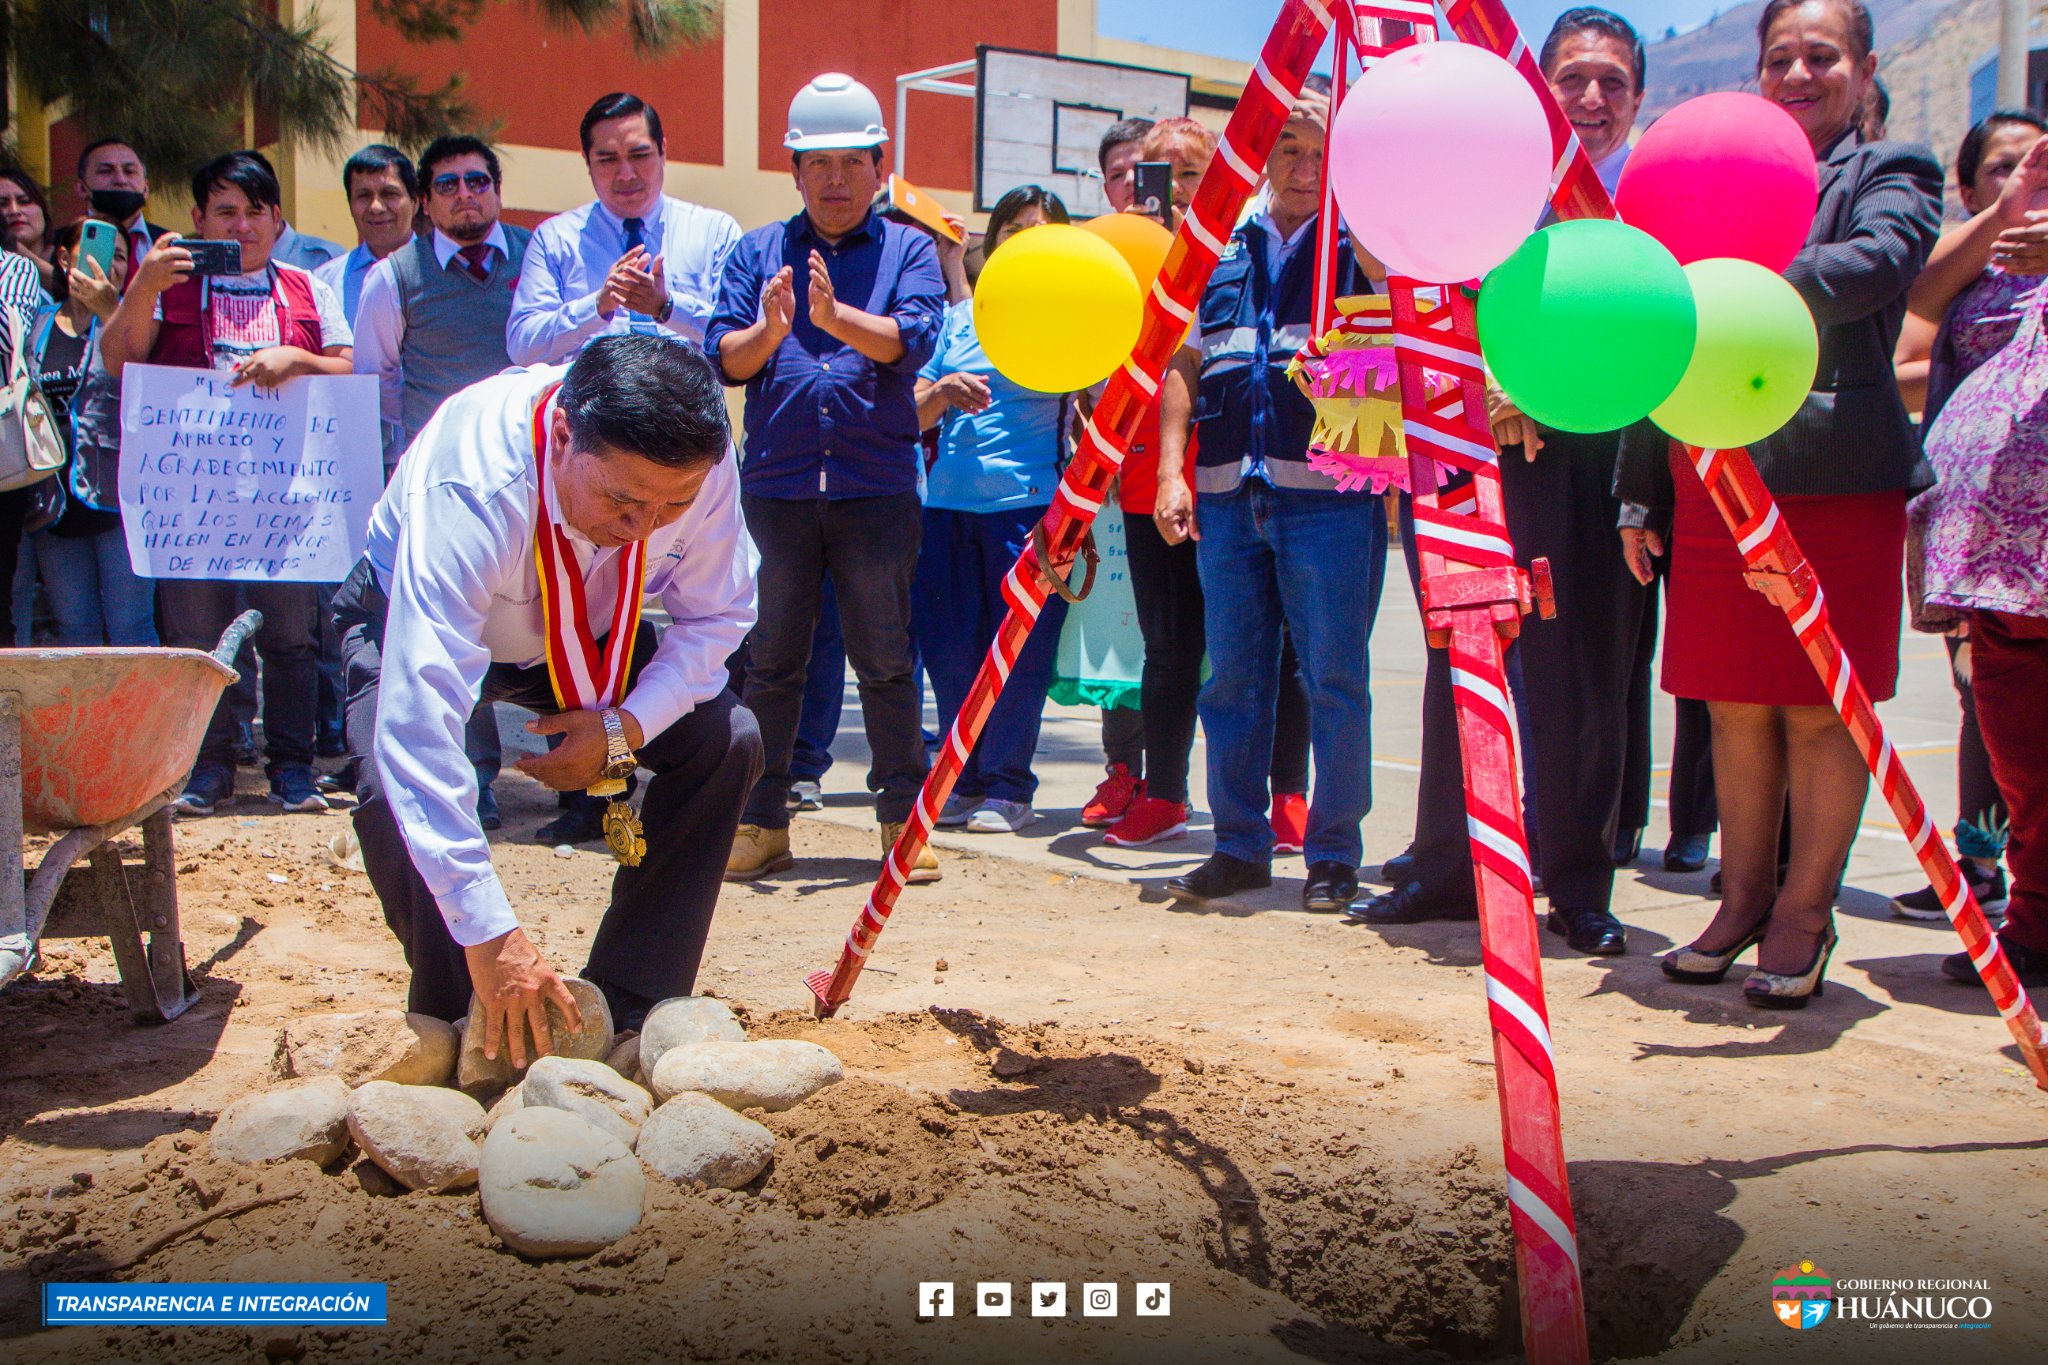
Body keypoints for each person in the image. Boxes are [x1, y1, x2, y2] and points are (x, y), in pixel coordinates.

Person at [1618, 0, 1941, 1007]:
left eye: (1820, 55)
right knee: (1731, 701)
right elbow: (1658, 336)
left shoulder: (1894, 170)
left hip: (1835, 477)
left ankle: (1805, 909)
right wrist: (1638, 488)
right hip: (1710, 473)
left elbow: (1875, 266)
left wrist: (1730, 279)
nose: (1797, 74)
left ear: (1862, 67)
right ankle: (1741, 896)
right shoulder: (1706, 170)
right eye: (1778, 58)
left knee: (1818, 709)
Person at [335, 334, 760, 1034]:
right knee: (393, 785)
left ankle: (625, 1006)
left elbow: (719, 616)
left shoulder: (698, 465)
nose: (645, 527)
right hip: (413, 618)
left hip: (584, 637)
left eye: (672, 507)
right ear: (562, 434)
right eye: (623, 500)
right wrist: (491, 929)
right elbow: (418, 722)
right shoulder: (472, 480)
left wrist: (622, 729)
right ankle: (465, 1017)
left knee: (728, 738)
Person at [1371, 7, 1651, 955]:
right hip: (1476, 451)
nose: (1591, 98)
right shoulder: (1494, 181)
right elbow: (1427, 286)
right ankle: (1448, 867)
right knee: (1462, 652)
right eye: (1572, 78)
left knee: (1584, 677)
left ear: (1638, 97)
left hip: (1596, 464)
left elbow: (1654, 331)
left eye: (1611, 80)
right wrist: (1480, 384)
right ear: (1541, 92)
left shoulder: (1648, 196)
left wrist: (1537, 382)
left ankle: (1577, 881)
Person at [708, 73, 945, 883]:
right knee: (770, 660)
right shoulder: (757, 251)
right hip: (775, 490)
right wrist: (773, 329)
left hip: (875, 488)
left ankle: (900, 823)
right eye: (818, 162)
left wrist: (834, 317)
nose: (835, 178)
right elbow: (726, 361)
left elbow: (908, 344)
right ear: (795, 172)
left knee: (884, 659)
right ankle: (762, 818)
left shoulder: (909, 248)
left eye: (852, 161)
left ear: (880, 166)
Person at [1154, 91, 1385, 910]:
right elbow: (1184, 364)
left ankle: (1332, 855)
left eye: (1321, 149)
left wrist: (1368, 230)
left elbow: (1404, 333)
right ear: (1260, 153)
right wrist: (1171, 470)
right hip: (1224, 495)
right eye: (1287, 145)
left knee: (1335, 679)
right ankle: (1240, 845)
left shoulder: (1367, 244)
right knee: (1232, 682)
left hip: (1329, 496)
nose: (1302, 163)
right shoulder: (1216, 246)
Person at [101, 151, 357, 816]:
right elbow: (119, 360)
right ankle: (208, 768)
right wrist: (142, 287)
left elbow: (349, 371)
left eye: (253, 212)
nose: (240, 225)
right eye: (224, 212)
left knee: (293, 637)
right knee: (194, 636)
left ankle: (293, 770)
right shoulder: (170, 285)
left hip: (286, 498)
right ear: (198, 220)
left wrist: (295, 357)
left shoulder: (308, 287)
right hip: (194, 499)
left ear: (276, 218)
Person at [1096, 117, 1313, 852]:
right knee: (1169, 643)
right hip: (1149, 475)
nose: (1178, 191)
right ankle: (1164, 793)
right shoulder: (1118, 256)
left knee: (1276, 642)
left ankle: (1288, 796)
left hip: (1237, 471)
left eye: (1194, 173)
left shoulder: (1249, 248)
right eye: (1160, 174)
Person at [1888, 110, 2046, 925]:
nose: (2025, 174)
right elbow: (1913, 317)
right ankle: (2018, 902)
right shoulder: (1980, 261)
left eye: (2037, 162)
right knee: (1998, 720)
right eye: (2003, 166)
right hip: (1984, 542)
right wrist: (2007, 211)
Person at [353, 134, 535, 836]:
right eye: (449, 185)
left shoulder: (533, 258)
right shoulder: (393, 278)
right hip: (444, 492)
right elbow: (380, 387)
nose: (467, 194)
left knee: (531, 628)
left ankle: (583, 781)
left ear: (495, 189)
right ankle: (471, 782)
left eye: (478, 181)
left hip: (530, 480)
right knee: (451, 636)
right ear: (426, 203)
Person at [913, 186, 1071, 833]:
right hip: (945, 508)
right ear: (994, 241)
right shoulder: (959, 318)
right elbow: (912, 407)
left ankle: (1009, 786)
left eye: (1042, 230)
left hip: (1027, 509)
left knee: (1018, 657)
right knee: (952, 653)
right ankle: (963, 779)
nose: (1026, 239)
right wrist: (943, 390)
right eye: (1015, 228)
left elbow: (1097, 397)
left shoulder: (1071, 318)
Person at [509, 92, 743, 367]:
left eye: (639, 155)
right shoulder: (556, 240)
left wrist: (667, 307)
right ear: (586, 160)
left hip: (688, 405)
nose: (626, 174)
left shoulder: (714, 233)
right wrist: (598, 306)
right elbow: (523, 347)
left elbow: (741, 336)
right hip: (591, 405)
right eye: (608, 160)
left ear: (663, 151)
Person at [1077, 116, 1157, 827]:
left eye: (1148, 170)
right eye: (1122, 172)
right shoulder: (1090, 257)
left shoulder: (1198, 251)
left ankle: (1174, 779)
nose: (1135, 184)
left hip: (1186, 469)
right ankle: (1122, 770)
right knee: (1118, 632)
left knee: (1186, 637)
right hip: (1111, 469)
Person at [24, 222, 154, 646]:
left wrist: (110, 310)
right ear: (64, 259)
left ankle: (141, 716)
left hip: (119, 498)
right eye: (96, 250)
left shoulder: (134, 320)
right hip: (53, 501)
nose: (110, 263)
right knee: (74, 630)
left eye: (119, 255)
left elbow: (147, 383)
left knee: (130, 628)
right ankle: (86, 716)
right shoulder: (38, 323)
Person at [316, 145, 420, 327]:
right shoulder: (324, 284)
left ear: (415, 202)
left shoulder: (447, 275)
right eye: (364, 196)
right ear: (350, 206)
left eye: (389, 194)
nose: (376, 207)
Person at [75, 139, 170, 286]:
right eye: (106, 171)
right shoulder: (54, 246)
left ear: (146, 189)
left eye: (130, 171)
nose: (120, 180)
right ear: (81, 188)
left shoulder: (174, 247)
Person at [0, 169, 57, 296]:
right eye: (2, 204)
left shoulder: (71, 247)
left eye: (24, 201)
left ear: (43, 209)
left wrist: (21, 254)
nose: (14, 211)